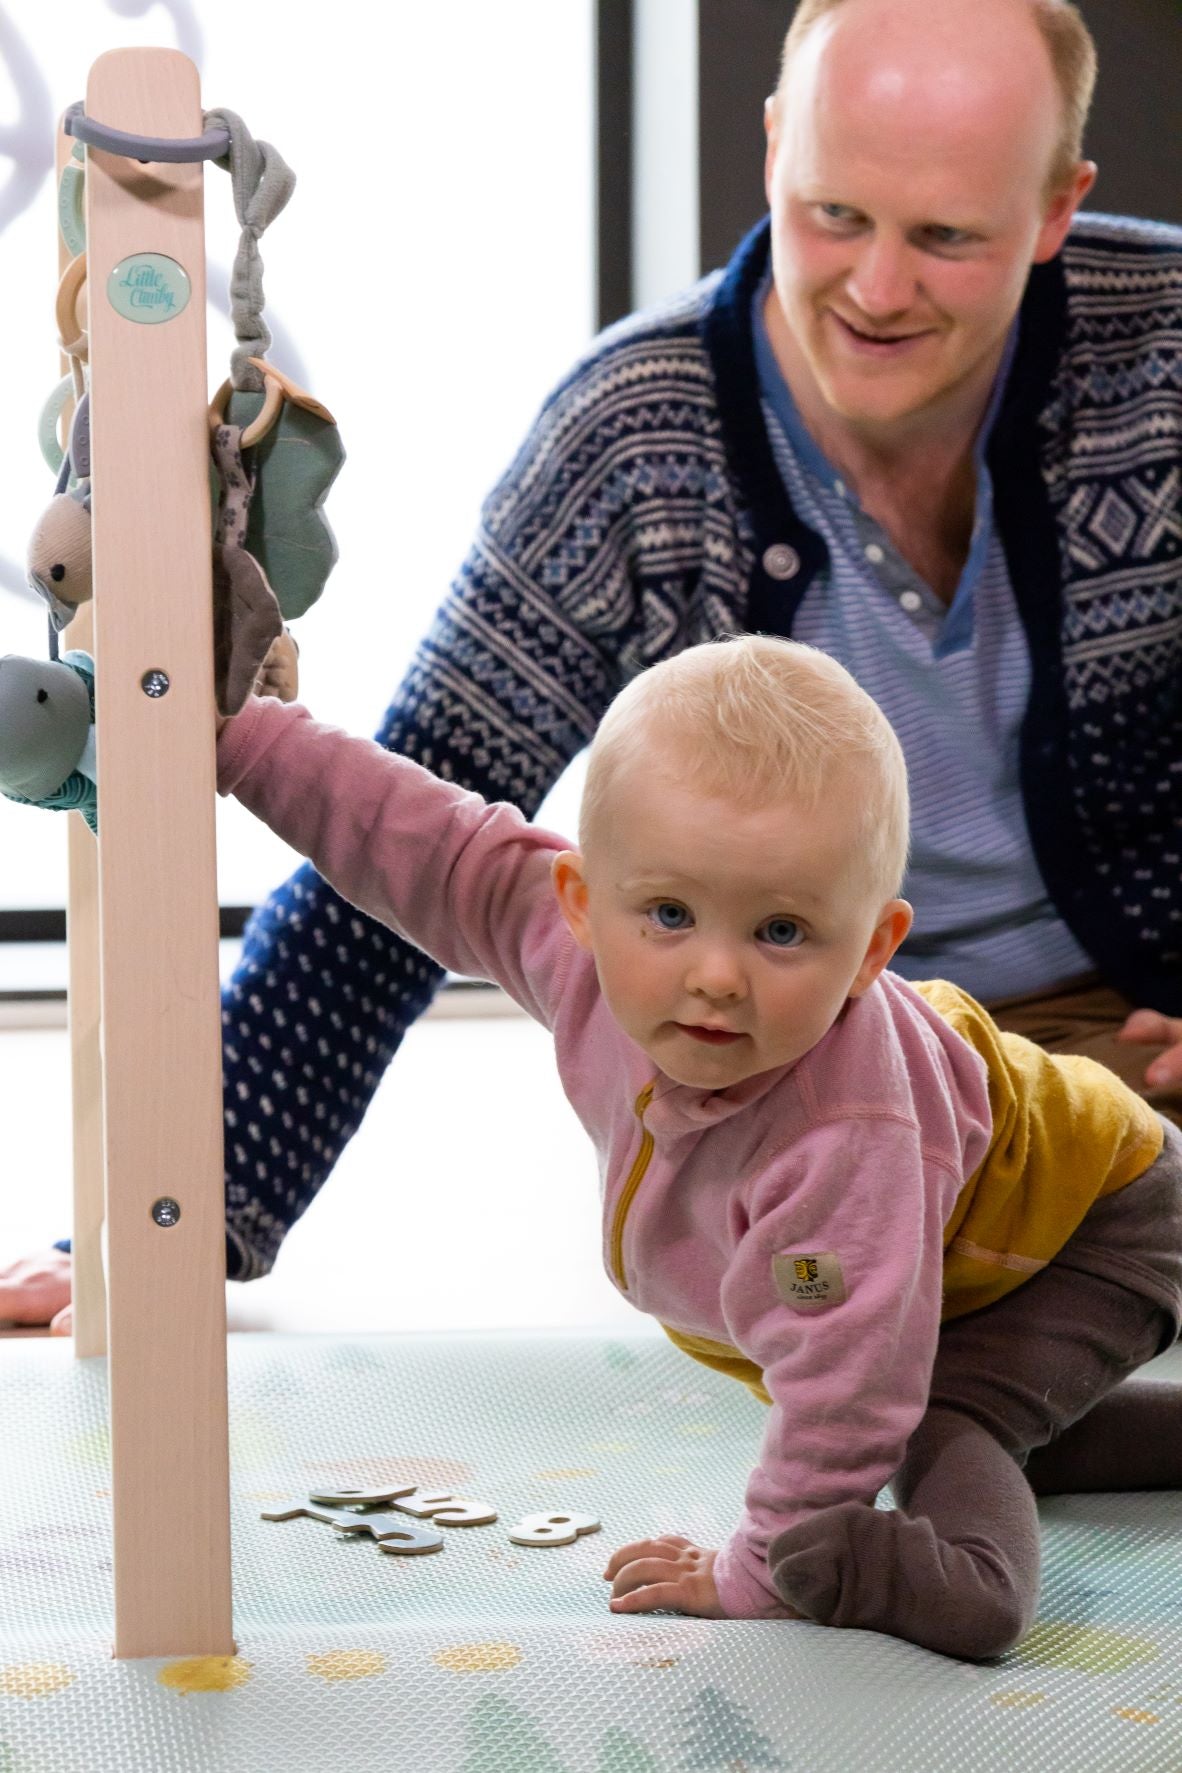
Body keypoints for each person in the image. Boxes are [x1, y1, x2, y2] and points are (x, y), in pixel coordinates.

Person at [4, 0, 1181, 1331]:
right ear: (775, 142)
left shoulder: (1163, 361)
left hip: (1120, 1036)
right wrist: (173, 1208)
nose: (876, 288)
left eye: (947, 238)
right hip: (811, 1061)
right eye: (833, 216)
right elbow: (414, 830)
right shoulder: (634, 437)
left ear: (1052, 207)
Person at [212, 633, 1182, 1657]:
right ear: (582, 904)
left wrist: (760, 1567)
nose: (716, 976)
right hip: (988, 1223)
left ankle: (973, 1588)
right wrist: (241, 740)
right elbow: (423, 846)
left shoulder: (844, 1139)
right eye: (670, 914)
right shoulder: (571, 951)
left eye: (781, 933)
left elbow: (849, 1389)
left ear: (873, 951)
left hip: (1096, 1227)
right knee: (1020, 1418)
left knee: (947, 1419)